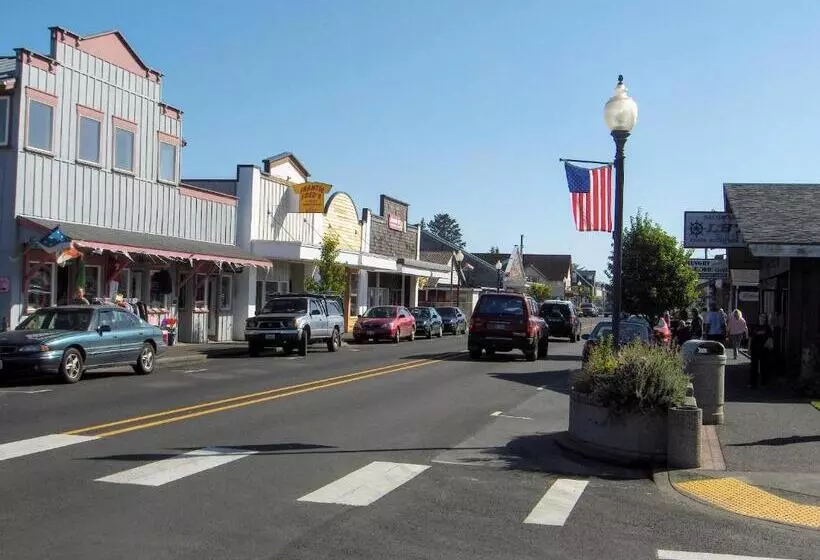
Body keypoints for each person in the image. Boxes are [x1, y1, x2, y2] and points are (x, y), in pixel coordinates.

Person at [749, 313, 774, 388]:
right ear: (758, 318)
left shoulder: (767, 327)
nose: (762, 318)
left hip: (764, 349)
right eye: (761, 317)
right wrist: (749, 348)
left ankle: (764, 382)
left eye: (764, 317)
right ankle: (753, 383)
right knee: (754, 366)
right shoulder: (754, 327)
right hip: (754, 348)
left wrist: (770, 345)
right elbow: (750, 338)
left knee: (764, 366)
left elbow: (770, 338)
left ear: (765, 319)